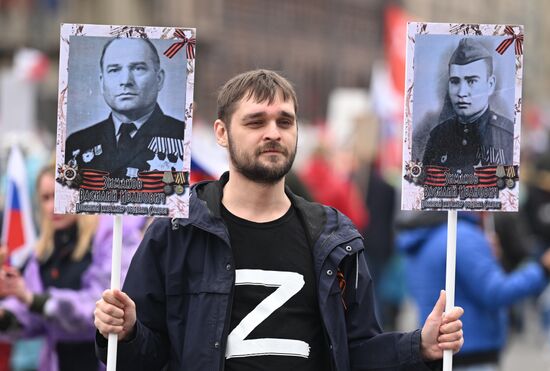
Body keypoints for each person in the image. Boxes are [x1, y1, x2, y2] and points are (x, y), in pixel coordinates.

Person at [94, 69, 464, 370]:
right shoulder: (176, 230)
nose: (273, 132)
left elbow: (357, 352)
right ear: (222, 133)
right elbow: (147, 356)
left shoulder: (335, 238)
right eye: (256, 122)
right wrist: (125, 332)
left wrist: (420, 346)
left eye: (284, 121)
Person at [0, 164, 145, 371]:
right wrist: (6, 315)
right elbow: (33, 317)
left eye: (58, 195)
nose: (53, 206)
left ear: (78, 193)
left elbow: (101, 309)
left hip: (103, 360)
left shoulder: (111, 239)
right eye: (45, 198)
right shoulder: (42, 252)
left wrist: (34, 300)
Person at [397, 211, 550, 370]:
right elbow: (496, 292)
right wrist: (543, 269)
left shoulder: (425, 235)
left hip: (443, 350)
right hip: (469, 351)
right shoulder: (463, 236)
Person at [65, 37, 186, 179]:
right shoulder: (77, 144)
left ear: (159, 79)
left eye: (138, 68)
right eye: (114, 70)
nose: (126, 81)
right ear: (102, 81)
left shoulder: (183, 138)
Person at [421, 38, 514, 174]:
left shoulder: (507, 136)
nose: (461, 93)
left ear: (490, 84)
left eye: (471, 81)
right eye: (455, 81)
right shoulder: (437, 137)